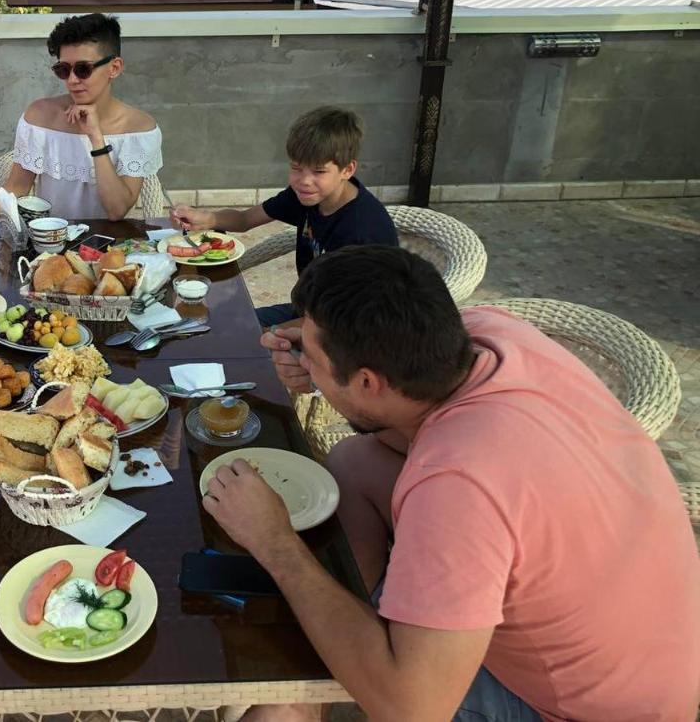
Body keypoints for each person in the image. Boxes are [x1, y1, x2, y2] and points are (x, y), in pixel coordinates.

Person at [206, 246, 700, 722]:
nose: (304, 361)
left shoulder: (457, 483)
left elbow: (413, 711)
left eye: (312, 357)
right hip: (650, 647)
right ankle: (334, 646)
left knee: (334, 674)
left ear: (367, 382)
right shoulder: (491, 332)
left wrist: (277, 544)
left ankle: (312, 680)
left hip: (587, 710)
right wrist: (323, 352)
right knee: (356, 459)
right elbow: (394, 428)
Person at [171, 107, 396, 327]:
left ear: (347, 170)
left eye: (319, 171)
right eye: (297, 168)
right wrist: (205, 218)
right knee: (214, 325)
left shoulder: (362, 232)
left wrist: (272, 334)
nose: (304, 180)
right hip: (307, 312)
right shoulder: (307, 196)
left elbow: (347, 322)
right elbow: (245, 219)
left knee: (235, 340)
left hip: (347, 333)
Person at [0, 13, 162, 224]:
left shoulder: (138, 128)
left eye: (83, 69)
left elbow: (116, 211)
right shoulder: (40, 117)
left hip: (107, 246)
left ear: (114, 68)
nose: (72, 80)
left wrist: (96, 138)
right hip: (49, 244)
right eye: (63, 70)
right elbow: (16, 188)